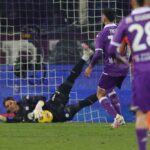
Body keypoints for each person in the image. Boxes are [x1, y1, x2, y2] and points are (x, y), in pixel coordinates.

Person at [0, 47, 97, 123]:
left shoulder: (25, 100)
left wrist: (38, 107)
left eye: (10, 103)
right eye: (7, 106)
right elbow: (7, 120)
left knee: (70, 79)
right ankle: (102, 94)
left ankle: (85, 56)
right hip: (59, 116)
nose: (10, 106)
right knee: (82, 104)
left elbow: (42, 98)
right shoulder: (18, 118)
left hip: (54, 102)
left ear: (14, 101)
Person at [108, 0, 150, 149]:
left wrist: (125, 62)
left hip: (140, 68)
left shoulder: (126, 22)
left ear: (132, 2)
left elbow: (113, 51)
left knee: (141, 112)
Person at [84, 8, 129, 128]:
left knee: (100, 93)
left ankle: (117, 117)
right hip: (124, 66)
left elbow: (98, 54)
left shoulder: (102, 34)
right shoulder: (122, 30)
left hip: (112, 68)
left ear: (104, 17)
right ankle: (120, 120)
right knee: (110, 89)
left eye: (102, 15)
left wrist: (90, 67)